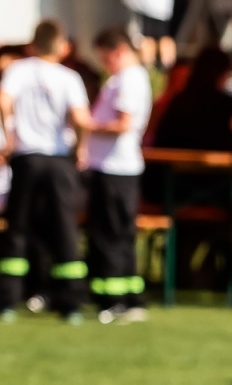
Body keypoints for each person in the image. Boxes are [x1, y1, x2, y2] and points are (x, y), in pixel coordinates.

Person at [0, 19, 91, 325]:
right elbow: (81, 117)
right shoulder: (69, 77)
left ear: (32, 44)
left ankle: (8, 301)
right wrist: (80, 147)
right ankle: (71, 302)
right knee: (65, 229)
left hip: (26, 158)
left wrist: (10, 132)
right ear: (62, 46)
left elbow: (3, 101)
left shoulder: (18, 71)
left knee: (18, 229)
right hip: (58, 159)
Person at [82, 26, 152, 326]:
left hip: (116, 167)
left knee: (111, 234)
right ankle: (124, 296)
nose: (103, 64)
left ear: (119, 51)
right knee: (116, 233)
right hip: (112, 166)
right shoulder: (124, 78)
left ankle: (116, 299)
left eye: (105, 57)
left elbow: (124, 124)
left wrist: (86, 124)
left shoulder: (130, 79)